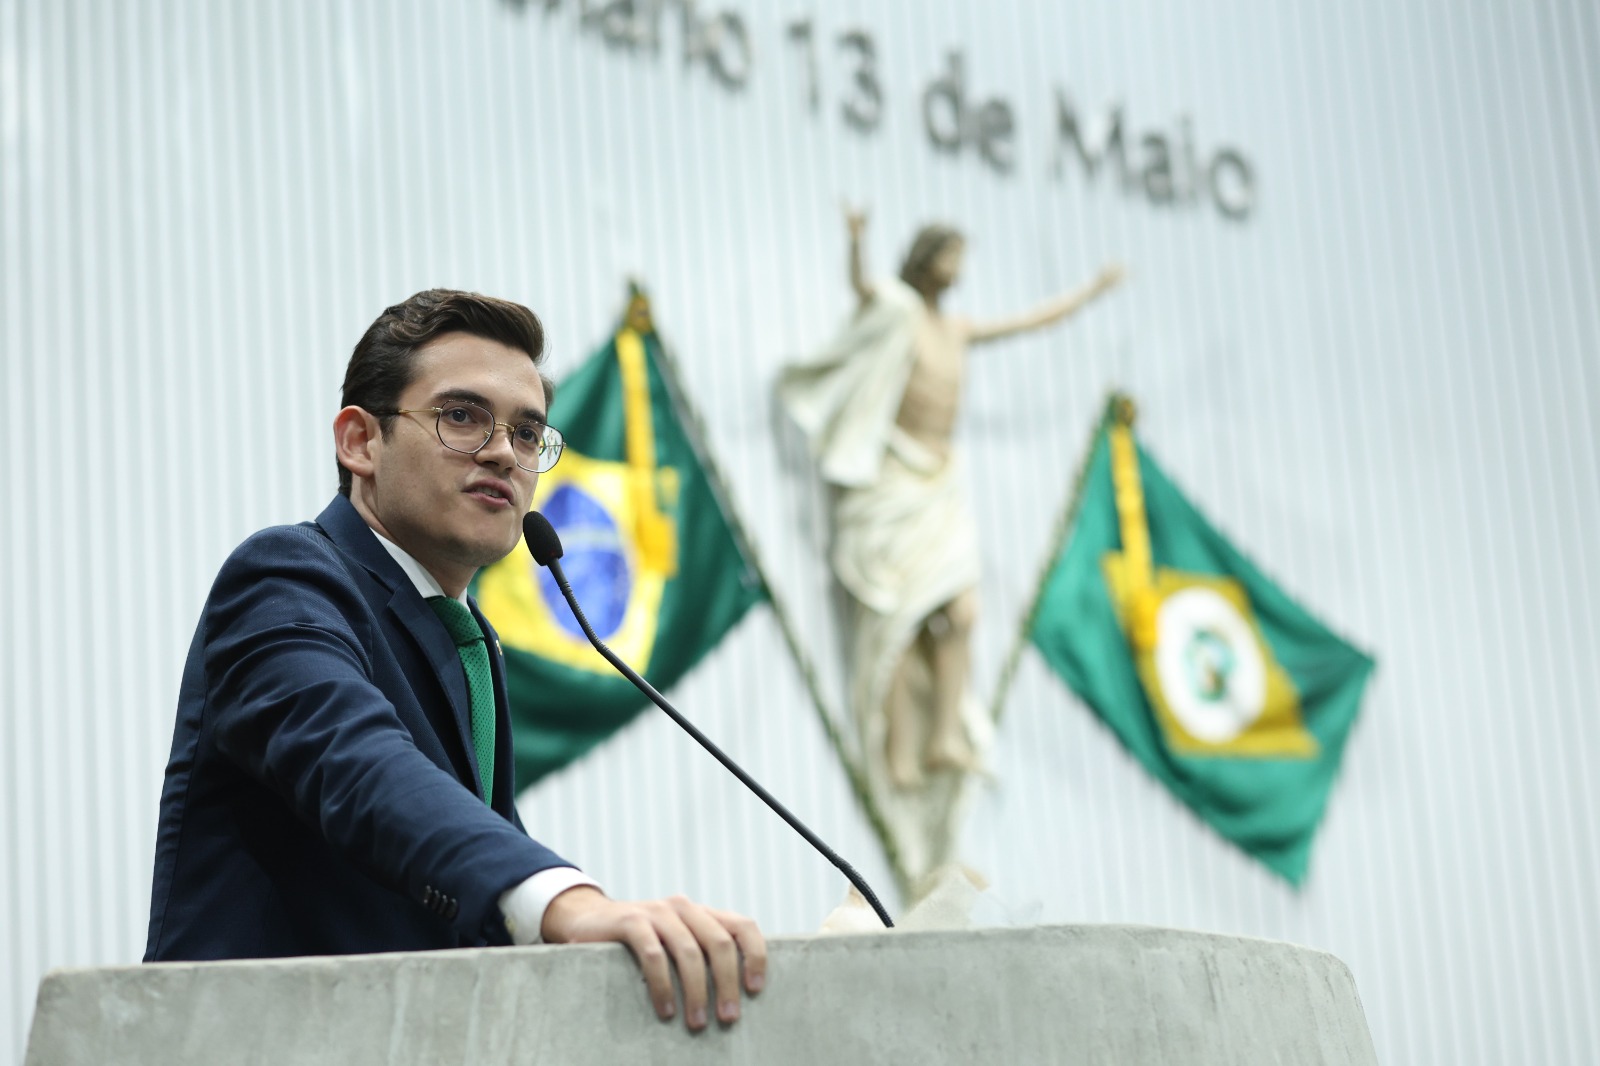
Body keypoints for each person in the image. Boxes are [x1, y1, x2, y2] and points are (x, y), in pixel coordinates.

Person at [145, 289, 764, 1032]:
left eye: (527, 432)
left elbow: (466, 874)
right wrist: (568, 901)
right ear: (360, 442)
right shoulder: (284, 578)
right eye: (462, 416)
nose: (504, 452)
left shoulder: (469, 643)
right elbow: (358, 765)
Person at [778, 209, 1122, 883]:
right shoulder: (900, 310)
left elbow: (1029, 322)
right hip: (895, 480)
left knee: (961, 612)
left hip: (940, 482)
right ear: (926, 256)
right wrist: (856, 238)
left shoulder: (957, 329)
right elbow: (863, 288)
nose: (959, 267)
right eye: (951, 254)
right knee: (900, 623)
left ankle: (941, 738)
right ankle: (901, 748)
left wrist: (1090, 291)